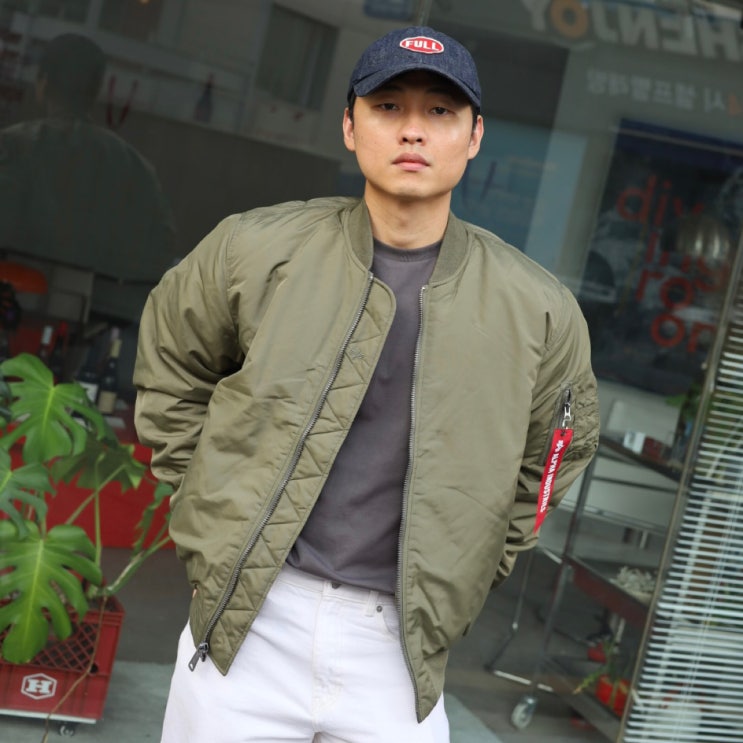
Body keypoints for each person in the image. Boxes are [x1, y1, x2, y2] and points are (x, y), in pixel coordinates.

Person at [134, 25, 600, 743]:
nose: (413, 130)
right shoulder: (255, 249)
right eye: (388, 107)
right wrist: (210, 511)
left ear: (475, 136)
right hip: (250, 624)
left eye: (439, 111)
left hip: (399, 649)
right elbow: (173, 364)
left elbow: (554, 457)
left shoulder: (536, 309)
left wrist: (475, 563)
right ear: (350, 126)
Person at [0, 32, 176, 326]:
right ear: (97, 89)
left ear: (43, 82)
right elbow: (160, 250)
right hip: (94, 325)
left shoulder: (12, 147)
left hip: (11, 312)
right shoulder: (135, 168)